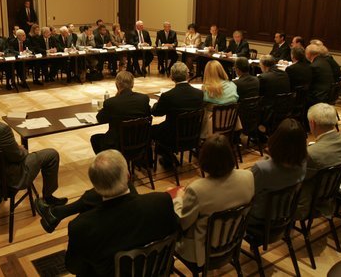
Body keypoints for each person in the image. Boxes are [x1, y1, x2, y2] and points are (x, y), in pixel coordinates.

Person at [64, 150, 179, 277]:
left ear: (95, 187)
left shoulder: (82, 226)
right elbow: (177, 232)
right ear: (128, 176)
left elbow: (73, 267)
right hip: (155, 272)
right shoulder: (161, 202)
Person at [0, 84, 67, 208]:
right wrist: (22, 149)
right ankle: (48, 198)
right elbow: (18, 157)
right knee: (51, 154)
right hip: (8, 181)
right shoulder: (0, 129)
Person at [173, 134, 254, 267]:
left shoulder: (197, 190)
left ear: (204, 159)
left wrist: (178, 199)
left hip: (201, 251)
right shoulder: (248, 176)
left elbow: (183, 223)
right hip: (233, 243)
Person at [296, 103, 341, 218]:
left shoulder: (311, 153)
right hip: (330, 196)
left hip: (308, 204)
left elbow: (297, 178)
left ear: (312, 123)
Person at [248, 118, 307, 224]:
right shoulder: (303, 163)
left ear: (276, 140)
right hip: (285, 216)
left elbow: (248, 195)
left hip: (258, 220)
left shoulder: (262, 169)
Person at [151, 62, 204, 166]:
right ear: (187, 75)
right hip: (193, 134)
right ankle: (167, 156)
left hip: (173, 136)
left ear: (171, 77)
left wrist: (155, 104)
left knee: (150, 130)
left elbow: (157, 113)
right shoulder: (199, 94)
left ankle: (164, 157)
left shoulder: (168, 95)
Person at [90, 71, 150, 153]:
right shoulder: (144, 99)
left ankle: (108, 164)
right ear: (132, 84)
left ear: (117, 85)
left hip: (117, 145)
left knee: (95, 139)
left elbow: (100, 119)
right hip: (140, 141)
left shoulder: (111, 102)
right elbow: (148, 115)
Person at [201, 61, 239, 138]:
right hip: (230, 122)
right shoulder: (232, 85)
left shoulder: (207, 89)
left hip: (213, 125)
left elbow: (202, 103)